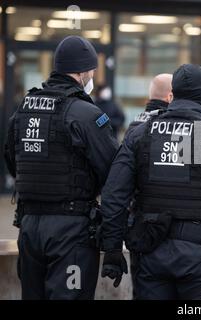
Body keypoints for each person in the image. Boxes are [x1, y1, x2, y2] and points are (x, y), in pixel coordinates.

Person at [99, 64, 201, 299]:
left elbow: (114, 195)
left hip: (149, 255)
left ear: (173, 94)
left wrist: (112, 248)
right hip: (198, 259)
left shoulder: (140, 134)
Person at [3, 35, 118, 299]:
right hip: (70, 230)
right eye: (91, 70)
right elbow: (112, 169)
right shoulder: (86, 114)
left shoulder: (23, 108)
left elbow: (13, 161)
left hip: (29, 226)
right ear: (83, 71)